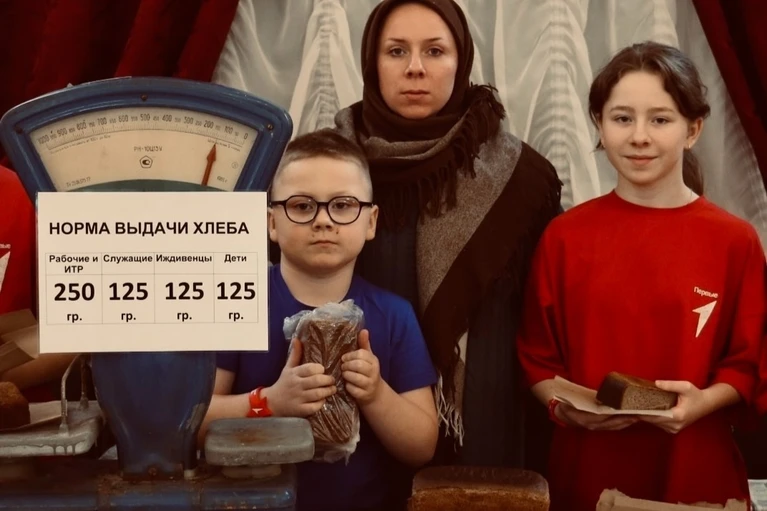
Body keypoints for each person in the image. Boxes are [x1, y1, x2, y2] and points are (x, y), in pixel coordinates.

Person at [517, 41, 766, 511]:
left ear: (693, 129)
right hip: (587, 475)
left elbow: (749, 362)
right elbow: (537, 360)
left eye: (660, 119)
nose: (639, 136)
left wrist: (702, 402)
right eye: (622, 118)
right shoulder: (564, 237)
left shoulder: (735, 241)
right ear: (599, 124)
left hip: (697, 475)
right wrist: (567, 410)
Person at [332, 0, 562, 469]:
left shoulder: (521, 178)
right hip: (352, 425)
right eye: (396, 51)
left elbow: (548, 318)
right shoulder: (330, 168)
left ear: (462, 61)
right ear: (372, 63)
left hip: (484, 433)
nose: (415, 68)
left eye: (435, 51)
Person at [201, 129, 439, 511]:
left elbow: (422, 446)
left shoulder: (394, 315)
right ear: (271, 222)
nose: (323, 221)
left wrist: (376, 394)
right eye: (301, 205)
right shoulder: (235, 300)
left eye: (343, 205)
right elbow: (192, 423)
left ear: (371, 221)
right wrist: (269, 402)